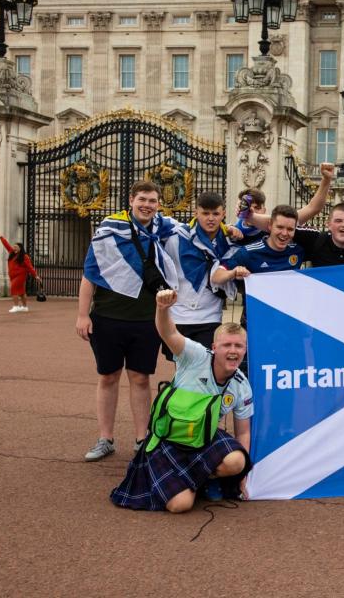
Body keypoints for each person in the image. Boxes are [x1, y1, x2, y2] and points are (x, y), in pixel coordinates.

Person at [110, 289, 252, 513]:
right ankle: (191, 481)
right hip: (170, 438)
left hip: (203, 436)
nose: (233, 351)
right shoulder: (195, 356)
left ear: (245, 350)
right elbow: (169, 333)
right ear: (215, 348)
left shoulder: (241, 385)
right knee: (180, 505)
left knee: (237, 461)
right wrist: (162, 308)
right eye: (227, 345)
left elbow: (243, 432)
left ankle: (198, 478)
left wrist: (242, 476)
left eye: (239, 346)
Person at [77, 180, 179, 462]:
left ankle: (141, 439)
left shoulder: (166, 229)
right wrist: (82, 315)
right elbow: (90, 274)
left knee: (140, 378)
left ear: (159, 204)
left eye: (153, 200)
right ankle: (105, 438)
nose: (147, 205)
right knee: (108, 376)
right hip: (108, 316)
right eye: (142, 199)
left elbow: (201, 231)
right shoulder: (109, 229)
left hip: (147, 319)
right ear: (131, 200)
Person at [159, 191, 241, 361]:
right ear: (196, 213)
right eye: (205, 213)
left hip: (209, 316)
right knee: (182, 370)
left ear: (223, 214)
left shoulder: (229, 242)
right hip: (179, 315)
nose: (210, 218)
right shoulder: (175, 237)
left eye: (216, 214)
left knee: (205, 368)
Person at [0, 233, 41, 313]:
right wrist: (1, 237)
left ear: (20, 248)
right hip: (12, 276)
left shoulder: (24, 257)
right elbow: (6, 245)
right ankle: (24, 307)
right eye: (14, 247)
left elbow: (30, 267)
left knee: (13, 288)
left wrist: (36, 275)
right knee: (21, 292)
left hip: (20, 276)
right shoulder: (11, 253)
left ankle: (16, 306)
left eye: (16, 247)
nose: (14, 248)